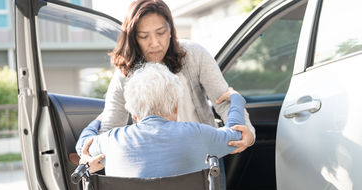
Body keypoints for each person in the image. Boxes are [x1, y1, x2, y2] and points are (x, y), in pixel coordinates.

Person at [101, 0, 255, 152]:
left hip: (203, 154)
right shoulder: (124, 73)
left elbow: (223, 99)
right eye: (143, 36)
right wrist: (94, 152)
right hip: (154, 161)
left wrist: (246, 133)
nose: (154, 43)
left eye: (160, 33)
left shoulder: (194, 54)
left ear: (170, 31)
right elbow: (110, 128)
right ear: (133, 38)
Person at [76, 63, 246, 177]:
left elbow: (82, 145)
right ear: (176, 107)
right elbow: (236, 135)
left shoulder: (111, 141)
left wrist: (99, 120)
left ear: (134, 115)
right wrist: (236, 100)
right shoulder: (198, 134)